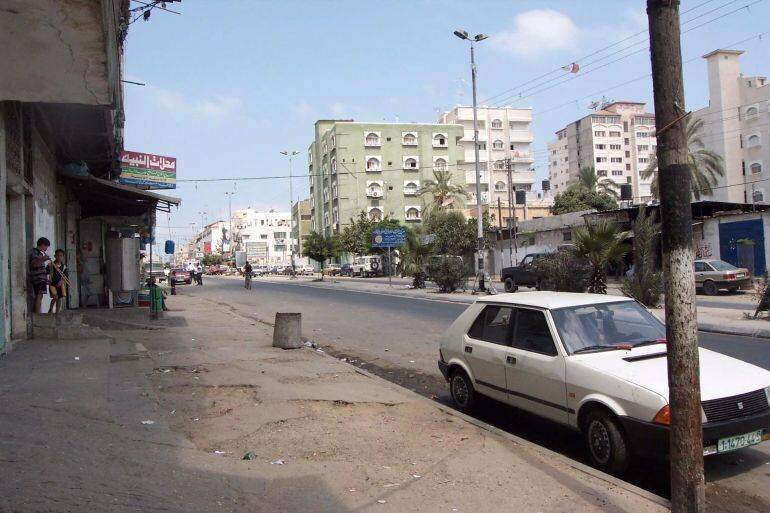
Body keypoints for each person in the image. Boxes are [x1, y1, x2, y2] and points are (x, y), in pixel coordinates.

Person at [29, 237, 52, 314]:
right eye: (46, 247)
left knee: (40, 295)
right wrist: (43, 259)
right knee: (39, 295)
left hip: (41, 278)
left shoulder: (39, 253)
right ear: (42, 245)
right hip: (37, 278)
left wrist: (46, 279)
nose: (46, 249)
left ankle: (38, 312)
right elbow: (34, 264)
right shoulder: (34, 252)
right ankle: (38, 314)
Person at [47, 249, 68, 314]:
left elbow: (65, 276)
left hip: (60, 285)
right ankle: (50, 309)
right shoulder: (50, 265)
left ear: (63, 257)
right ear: (55, 256)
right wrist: (47, 280)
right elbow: (46, 273)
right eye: (58, 255)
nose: (59, 257)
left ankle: (57, 312)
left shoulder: (64, 267)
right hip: (52, 284)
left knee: (59, 298)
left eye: (61, 256)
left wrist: (61, 282)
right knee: (55, 297)